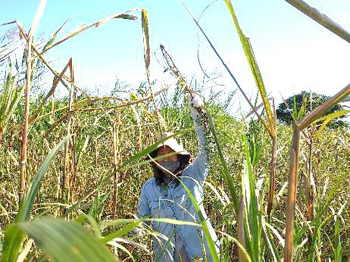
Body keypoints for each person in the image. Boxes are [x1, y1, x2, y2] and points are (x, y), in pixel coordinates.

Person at [137, 93, 220, 261]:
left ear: (180, 157)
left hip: (202, 255)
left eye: (171, 154)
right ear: (154, 161)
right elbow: (141, 221)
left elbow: (208, 148)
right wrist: (135, 235)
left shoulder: (193, 175)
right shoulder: (149, 189)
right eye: (161, 155)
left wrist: (199, 113)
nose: (166, 159)